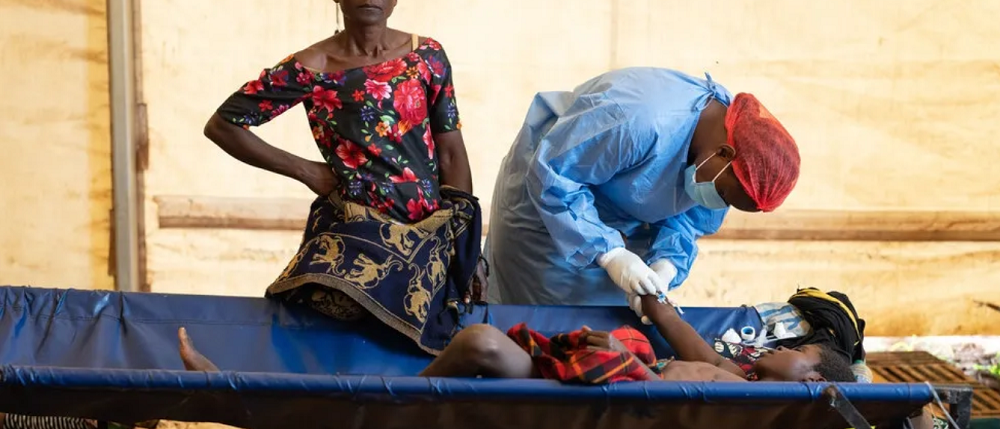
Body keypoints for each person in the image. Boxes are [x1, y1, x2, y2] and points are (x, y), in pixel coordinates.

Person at [204, 0, 484, 353]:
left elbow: (450, 152)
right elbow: (223, 125)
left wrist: (465, 242)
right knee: (344, 347)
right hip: (358, 231)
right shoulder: (312, 68)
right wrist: (306, 170)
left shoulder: (427, 56)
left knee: (431, 356)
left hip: (427, 233)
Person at [484, 68, 800, 310]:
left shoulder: (722, 145)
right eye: (725, 197)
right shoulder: (638, 120)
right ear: (725, 154)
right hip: (545, 213)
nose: (718, 203)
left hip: (611, 223)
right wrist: (610, 254)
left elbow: (688, 215)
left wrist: (666, 265)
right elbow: (556, 177)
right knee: (543, 329)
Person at [172, 295, 854, 384]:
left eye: (799, 346)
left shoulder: (777, 408)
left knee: (479, 344)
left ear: (819, 377)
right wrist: (651, 296)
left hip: (604, 396)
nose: (778, 344)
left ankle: (391, 403)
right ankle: (394, 402)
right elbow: (678, 333)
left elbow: (876, 394)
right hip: (593, 385)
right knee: (478, 343)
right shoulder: (736, 374)